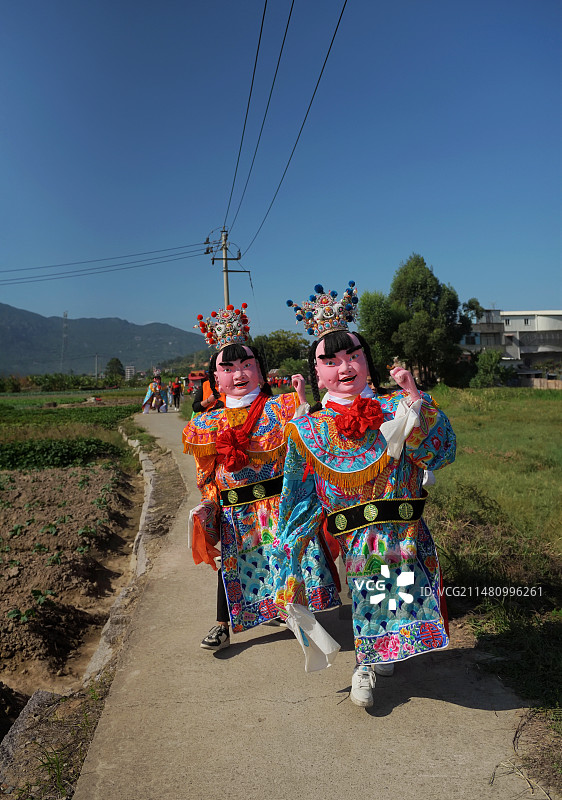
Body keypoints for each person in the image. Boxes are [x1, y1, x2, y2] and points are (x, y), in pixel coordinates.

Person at [275, 282, 456, 707]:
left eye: (353, 355)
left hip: (405, 529)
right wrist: (291, 550)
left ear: (367, 362)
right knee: (369, 590)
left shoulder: (399, 409)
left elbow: (442, 452)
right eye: (331, 360)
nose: (344, 367)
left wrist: (416, 398)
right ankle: (366, 664)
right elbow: (300, 497)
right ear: (316, 372)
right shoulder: (308, 430)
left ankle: (380, 651)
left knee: (398, 594)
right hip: (355, 536)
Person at [183, 303, 339, 652]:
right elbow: (207, 476)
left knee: (287, 560)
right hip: (236, 512)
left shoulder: (281, 408)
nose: (239, 374)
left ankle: (291, 612)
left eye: (247, 365)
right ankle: (223, 624)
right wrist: (208, 503)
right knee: (233, 567)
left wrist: (302, 403)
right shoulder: (204, 424)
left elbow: (307, 450)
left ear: (260, 371)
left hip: (279, 505)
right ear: (215, 378)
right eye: (229, 367)